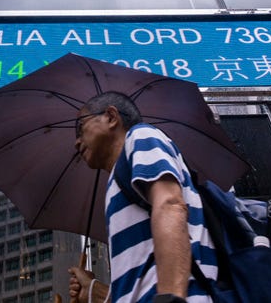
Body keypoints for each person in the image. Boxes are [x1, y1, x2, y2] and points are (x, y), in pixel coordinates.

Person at [68, 91, 215, 303]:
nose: (76, 142)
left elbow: (170, 205)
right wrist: (95, 293)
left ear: (111, 117)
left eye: (80, 128)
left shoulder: (140, 136)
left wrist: (170, 299)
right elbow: (141, 282)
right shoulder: (117, 181)